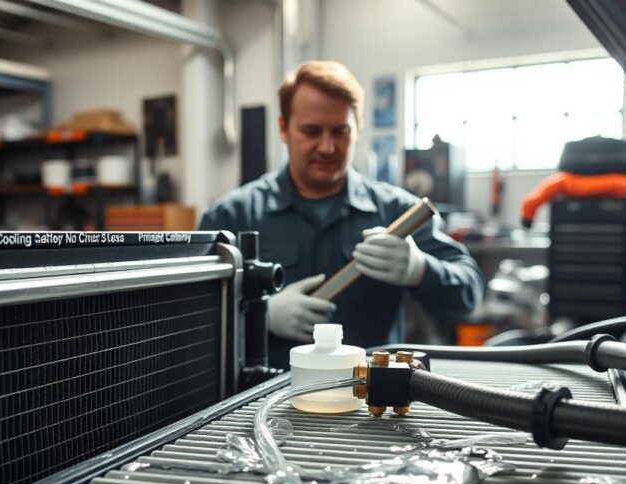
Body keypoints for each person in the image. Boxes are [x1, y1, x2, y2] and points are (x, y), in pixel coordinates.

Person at [199, 60, 483, 368]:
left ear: (358, 127)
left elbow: (468, 295)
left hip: (370, 403)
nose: (326, 147)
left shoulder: (396, 211)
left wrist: (420, 270)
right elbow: (190, 319)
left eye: (340, 131)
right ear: (283, 128)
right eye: (311, 131)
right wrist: (257, 314)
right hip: (261, 403)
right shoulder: (232, 216)